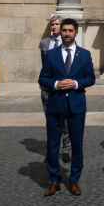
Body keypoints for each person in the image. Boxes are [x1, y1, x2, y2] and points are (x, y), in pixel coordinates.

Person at [40, 18, 96, 196]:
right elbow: (43, 79)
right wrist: (56, 84)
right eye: (64, 30)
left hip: (76, 106)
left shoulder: (85, 54)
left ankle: (74, 180)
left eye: (70, 31)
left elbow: (91, 78)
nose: (66, 34)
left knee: (77, 145)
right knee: (52, 145)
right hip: (55, 105)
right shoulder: (51, 54)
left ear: (75, 32)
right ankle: (54, 180)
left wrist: (75, 83)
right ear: (60, 32)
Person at [39, 14, 70, 162]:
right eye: (52, 24)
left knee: (65, 120)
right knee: (50, 121)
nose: (54, 26)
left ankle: (66, 147)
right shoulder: (44, 43)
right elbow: (44, 66)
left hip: (64, 87)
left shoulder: (67, 43)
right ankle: (51, 151)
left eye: (57, 24)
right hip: (48, 88)